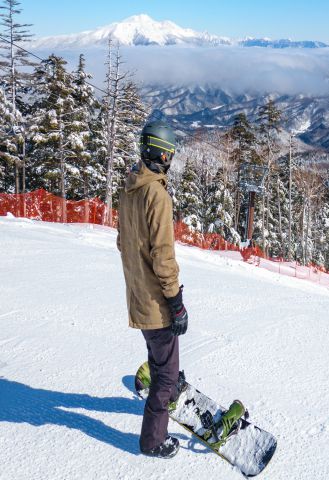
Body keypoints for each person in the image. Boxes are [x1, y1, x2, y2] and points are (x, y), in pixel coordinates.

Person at [117, 121, 188, 459]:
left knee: (160, 356)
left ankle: (166, 382)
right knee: (166, 375)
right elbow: (163, 256)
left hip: (137, 296)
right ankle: (153, 440)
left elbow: (124, 243)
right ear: (163, 154)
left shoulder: (130, 188)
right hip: (155, 302)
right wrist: (175, 302)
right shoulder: (156, 194)